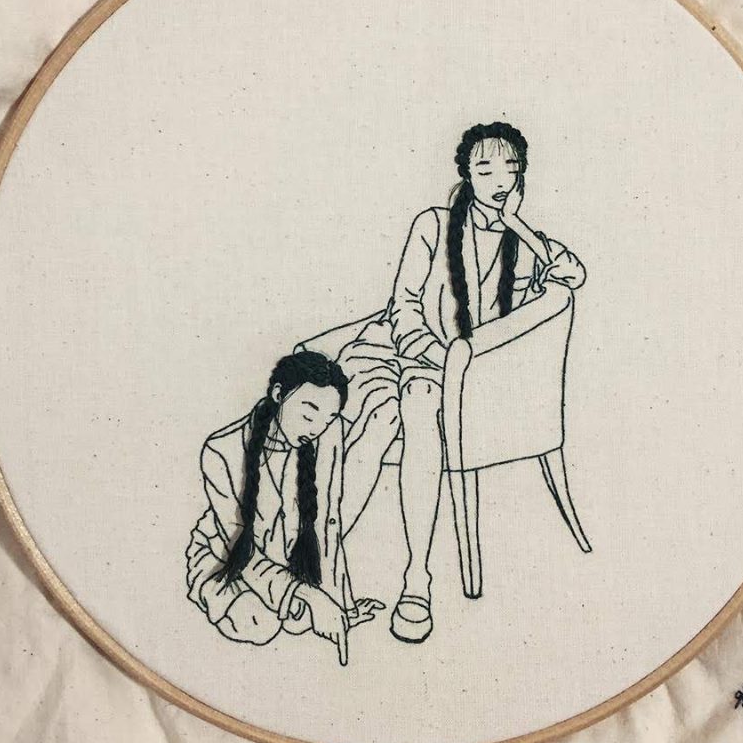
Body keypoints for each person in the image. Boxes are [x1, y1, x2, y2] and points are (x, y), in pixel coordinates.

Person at [337, 121, 586, 643]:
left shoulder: (528, 243)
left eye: (510, 169)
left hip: (478, 380)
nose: (498, 180)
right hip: (410, 353)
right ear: (467, 176)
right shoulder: (432, 225)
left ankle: (416, 579)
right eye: (485, 169)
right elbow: (404, 305)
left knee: (415, 407)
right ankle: (323, 551)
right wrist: (435, 356)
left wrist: (518, 228)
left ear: (522, 178)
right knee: (386, 413)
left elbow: (573, 275)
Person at [185, 350, 384, 665]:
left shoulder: (324, 438)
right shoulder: (222, 450)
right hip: (226, 557)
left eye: (328, 418)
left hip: (286, 557)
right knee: (258, 624)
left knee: (299, 622)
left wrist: (340, 604)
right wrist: (307, 595)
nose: (317, 428)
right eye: (308, 414)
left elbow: (327, 523)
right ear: (278, 394)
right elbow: (239, 548)